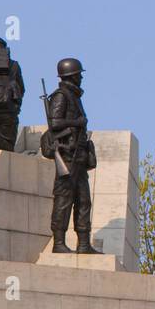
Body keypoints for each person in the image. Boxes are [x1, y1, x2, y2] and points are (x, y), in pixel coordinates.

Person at [47, 57, 97, 253]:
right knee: (64, 199)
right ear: (72, 76)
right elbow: (55, 123)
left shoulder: (74, 96)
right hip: (67, 156)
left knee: (83, 200)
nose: (81, 78)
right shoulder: (61, 96)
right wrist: (77, 122)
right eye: (79, 75)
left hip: (79, 157)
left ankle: (84, 244)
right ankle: (59, 243)